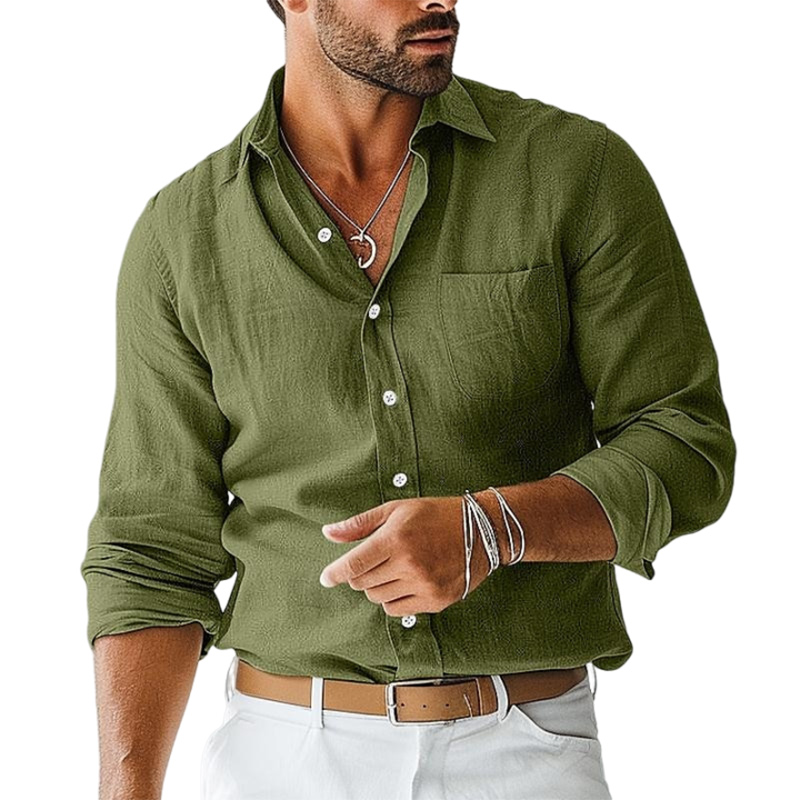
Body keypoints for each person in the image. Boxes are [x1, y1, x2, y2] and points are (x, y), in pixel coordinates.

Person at [80, 1, 737, 798]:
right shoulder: (182, 237)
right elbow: (151, 550)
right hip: (285, 758)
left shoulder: (575, 171)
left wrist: (495, 528)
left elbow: (685, 440)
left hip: (526, 752)